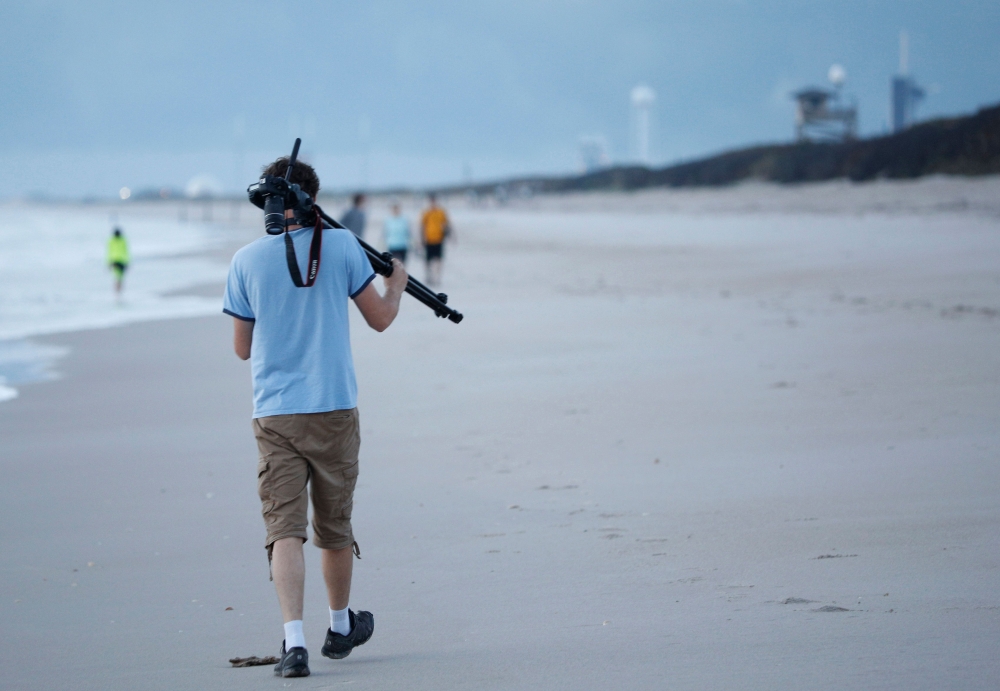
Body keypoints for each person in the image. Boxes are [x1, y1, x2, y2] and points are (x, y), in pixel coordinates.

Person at [223, 157, 408, 678]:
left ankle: (293, 643)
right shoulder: (345, 247)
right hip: (332, 408)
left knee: (285, 529)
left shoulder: (245, 261)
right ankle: (340, 624)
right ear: (313, 198)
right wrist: (397, 282)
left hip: (275, 414)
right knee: (333, 528)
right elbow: (381, 319)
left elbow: (242, 349)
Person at [420, 193, 452, 286]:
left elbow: (447, 224)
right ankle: (429, 276)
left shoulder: (441, 212)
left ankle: (437, 278)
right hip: (429, 239)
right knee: (428, 261)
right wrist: (422, 238)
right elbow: (422, 226)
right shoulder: (426, 212)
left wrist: (450, 235)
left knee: (439, 260)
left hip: (439, 239)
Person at [106, 227, 130, 295]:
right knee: (117, 276)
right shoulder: (114, 241)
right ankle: (117, 290)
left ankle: (118, 290)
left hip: (120, 260)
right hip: (116, 260)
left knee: (119, 276)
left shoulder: (120, 241)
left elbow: (126, 251)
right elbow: (109, 252)